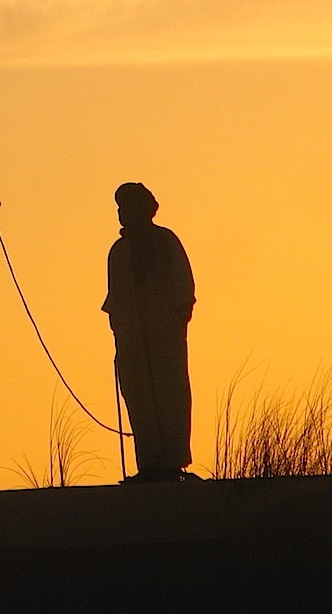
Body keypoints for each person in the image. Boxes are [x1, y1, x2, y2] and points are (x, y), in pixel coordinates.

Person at [103, 182, 196, 483]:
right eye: (120, 209)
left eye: (127, 208)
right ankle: (149, 464)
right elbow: (114, 302)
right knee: (139, 396)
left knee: (169, 394)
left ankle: (172, 461)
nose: (122, 214)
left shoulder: (166, 242)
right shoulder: (118, 252)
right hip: (131, 342)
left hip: (164, 338)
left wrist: (171, 327)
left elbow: (185, 291)